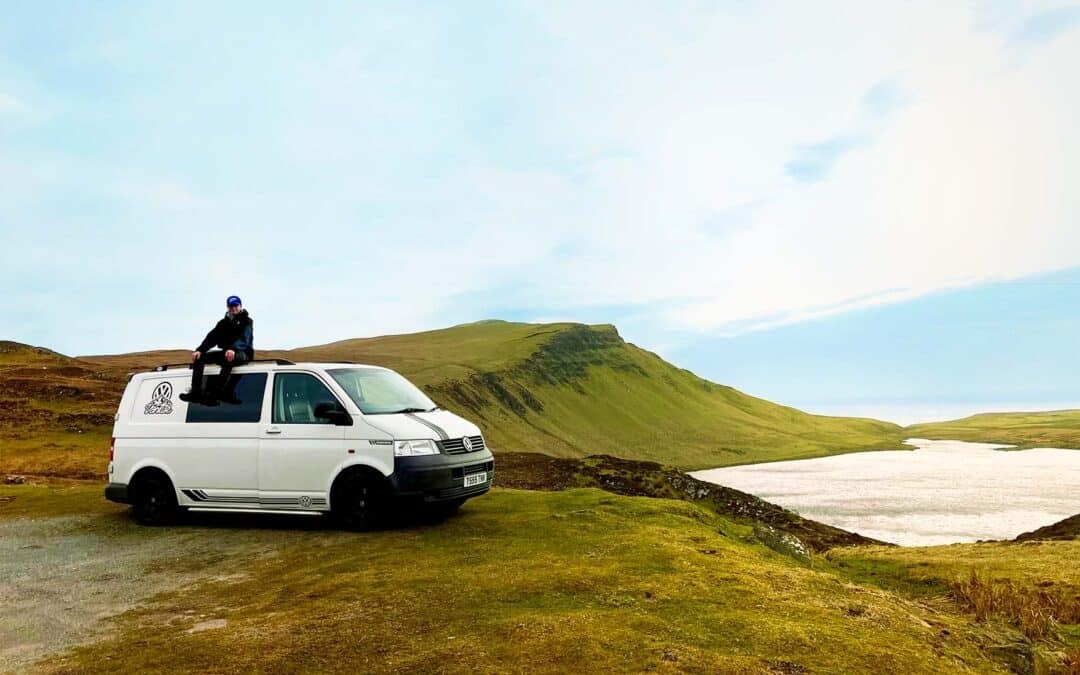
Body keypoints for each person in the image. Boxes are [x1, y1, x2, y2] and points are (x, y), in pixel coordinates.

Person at [179, 296, 254, 405]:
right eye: (231, 306)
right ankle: (196, 393)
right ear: (227, 308)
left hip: (243, 353)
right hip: (227, 353)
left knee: (228, 358)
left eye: (236, 306)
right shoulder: (223, 323)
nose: (233, 308)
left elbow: (244, 338)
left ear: (240, 306)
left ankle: (216, 395)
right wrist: (200, 350)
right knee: (200, 358)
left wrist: (233, 349)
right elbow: (212, 338)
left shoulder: (247, 321)